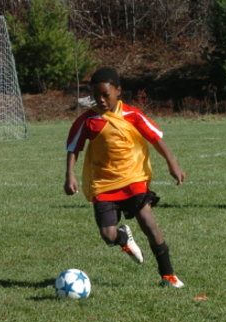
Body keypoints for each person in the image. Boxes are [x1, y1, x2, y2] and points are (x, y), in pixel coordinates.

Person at [64, 67, 186, 288]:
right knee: (107, 235)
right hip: (103, 184)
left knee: (148, 223)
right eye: (96, 96)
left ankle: (168, 275)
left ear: (118, 91)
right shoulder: (88, 120)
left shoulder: (132, 115)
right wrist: (69, 175)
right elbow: (74, 148)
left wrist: (173, 164)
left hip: (133, 178)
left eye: (105, 95)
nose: (101, 100)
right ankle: (122, 238)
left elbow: (156, 139)